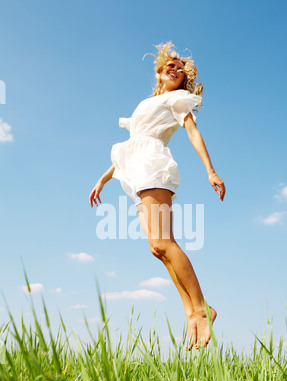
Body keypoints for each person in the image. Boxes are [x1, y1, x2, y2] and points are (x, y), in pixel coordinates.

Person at [89, 42, 225, 349]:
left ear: (183, 79)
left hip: (153, 167)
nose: (176, 69)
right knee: (157, 248)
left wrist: (210, 171)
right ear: (160, 71)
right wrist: (104, 178)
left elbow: (192, 131)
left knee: (165, 242)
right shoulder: (147, 104)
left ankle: (202, 308)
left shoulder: (179, 99)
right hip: (135, 171)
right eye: (171, 66)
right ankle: (190, 311)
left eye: (181, 68)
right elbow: (131, 145)